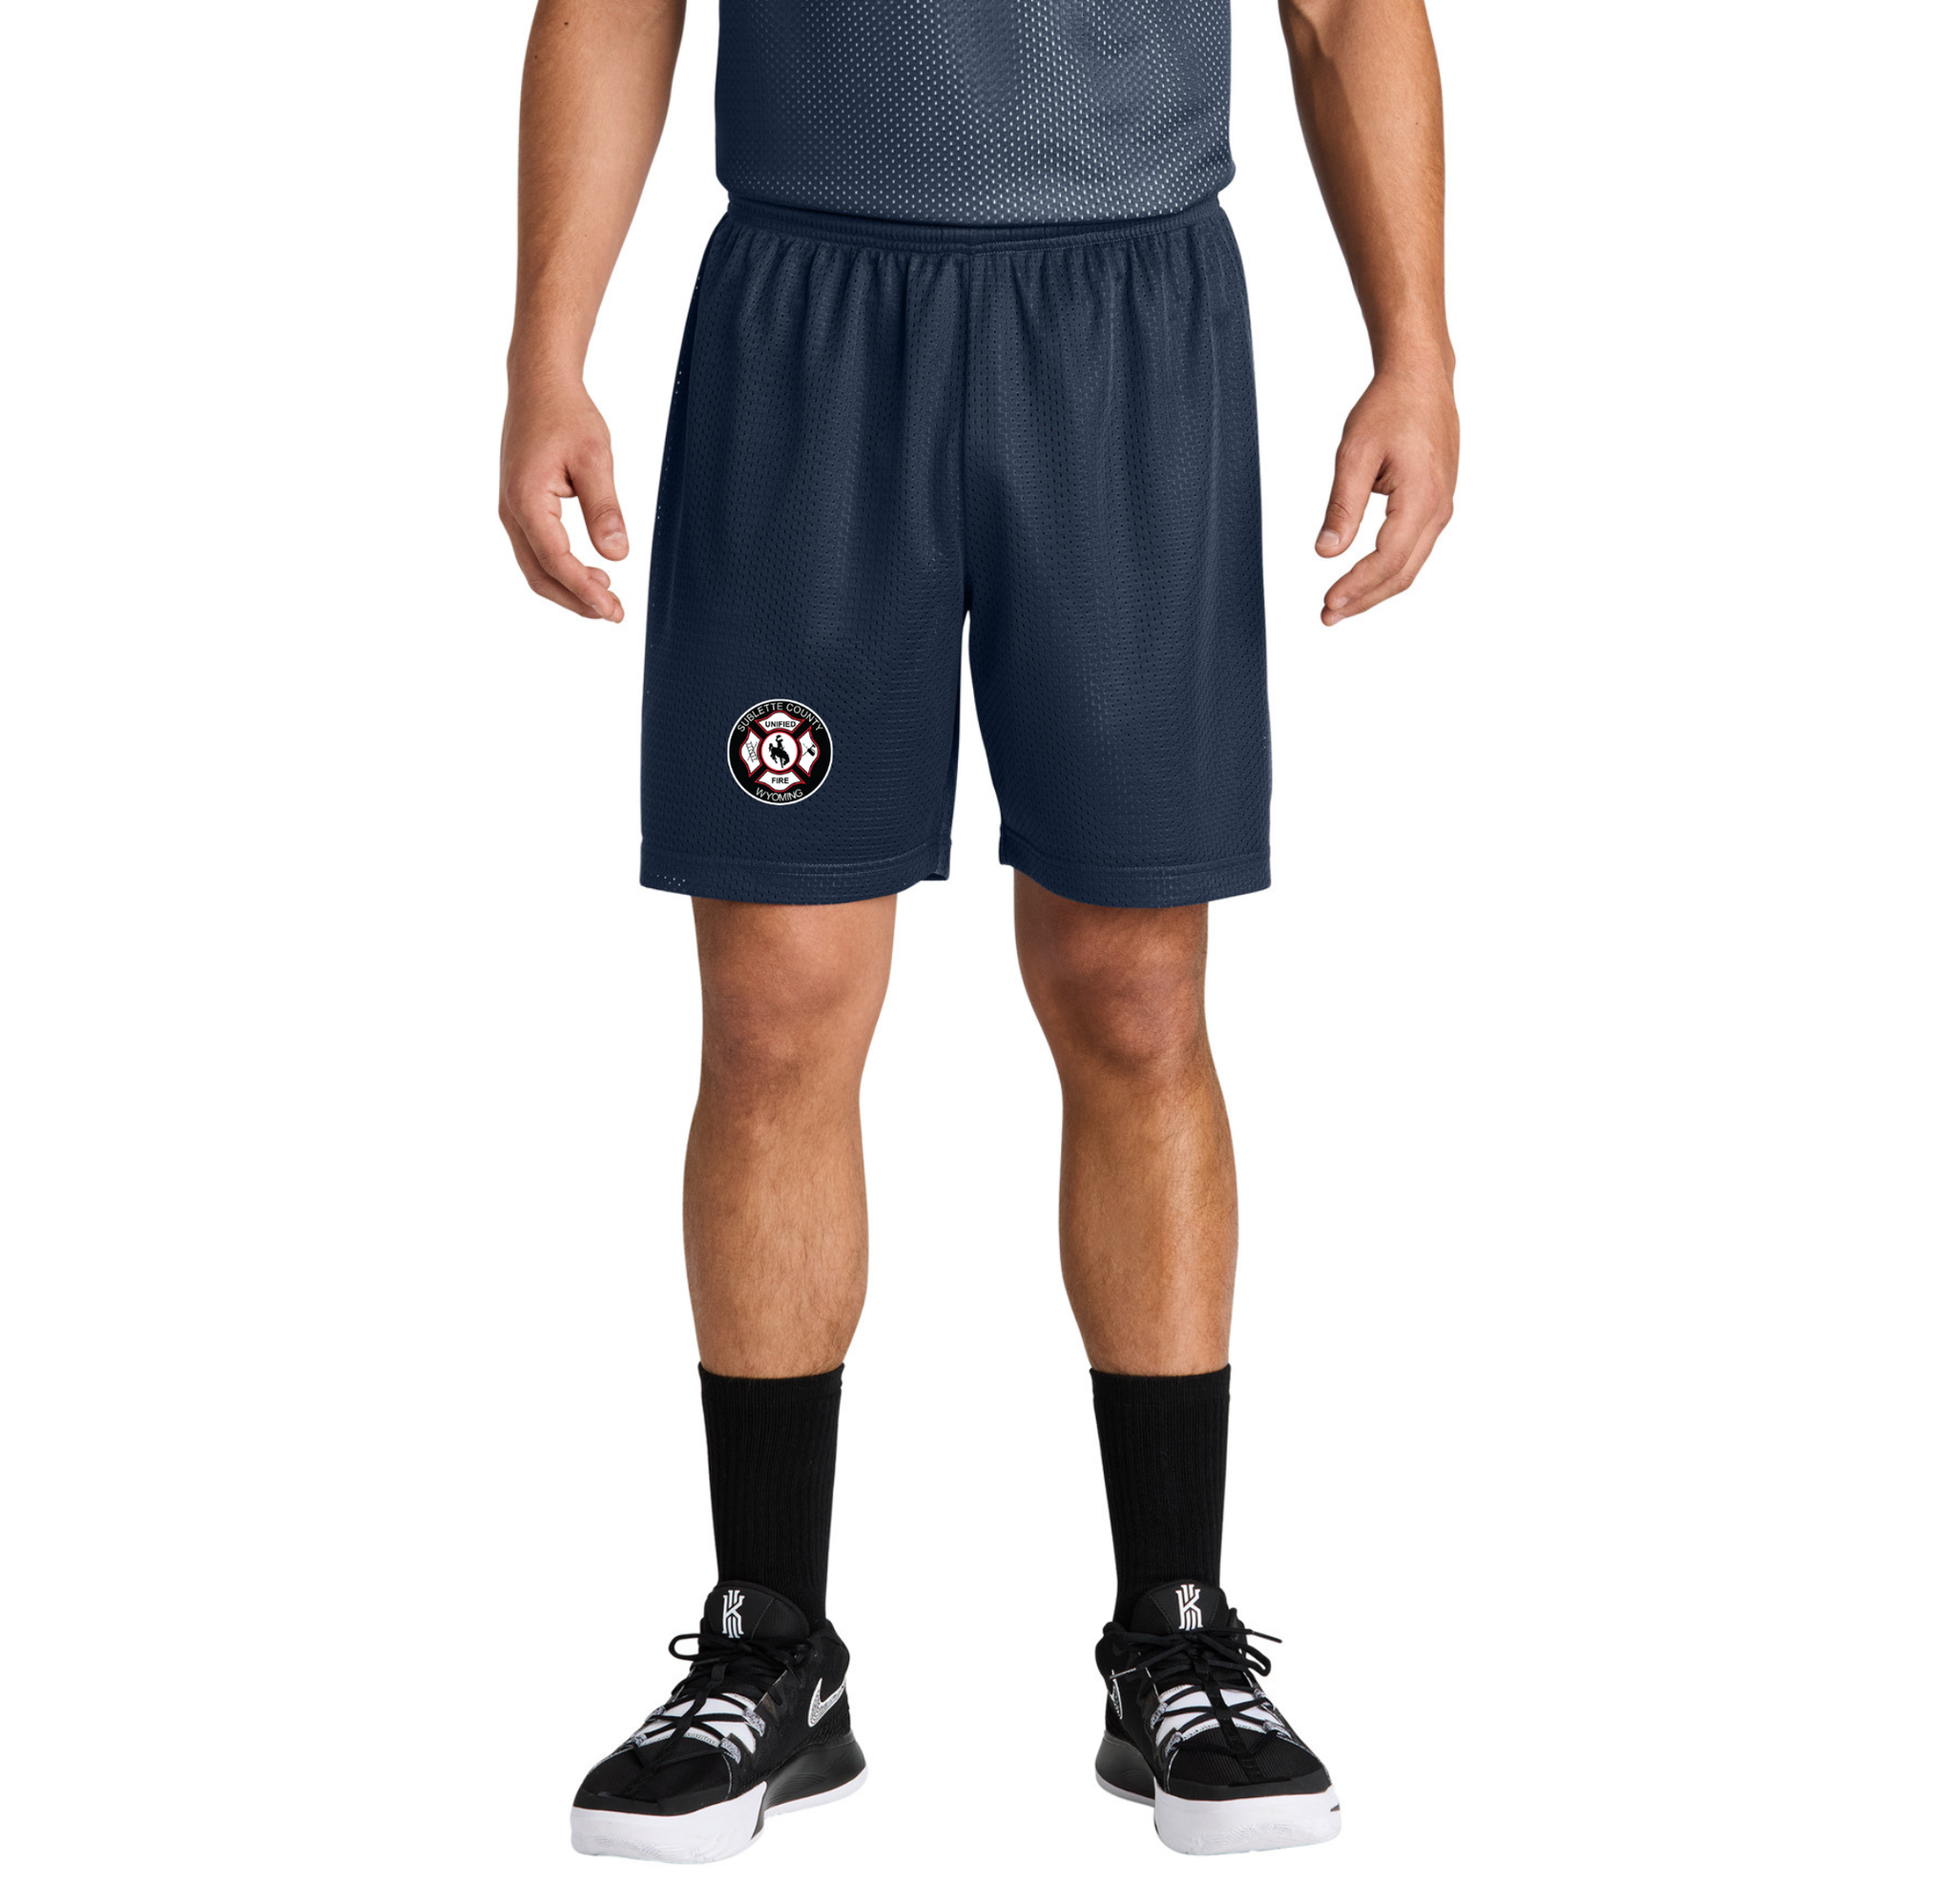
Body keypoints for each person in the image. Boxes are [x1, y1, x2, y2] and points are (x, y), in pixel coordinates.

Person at [500, 0, 1456, 1863]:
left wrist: (1412, 344)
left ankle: (1173, 1635)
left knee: (1135, 990)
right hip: (806, 315)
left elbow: (1346, 10)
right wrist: (547, 347)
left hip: (1123, 320)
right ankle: (772, 1644)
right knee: (775, 1005)